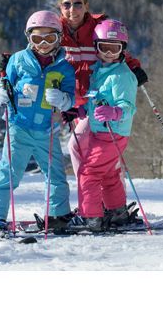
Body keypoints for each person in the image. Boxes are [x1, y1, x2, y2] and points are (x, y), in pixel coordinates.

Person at [0, 11, 76, 236]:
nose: (43, 44)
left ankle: (57, 216)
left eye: (49, 38)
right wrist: (1, 94)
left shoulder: (65, 66)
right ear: (29, 38)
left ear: (59, 38)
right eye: (37, 39)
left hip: (48, 130)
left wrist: (64, 101)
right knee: (9, 173)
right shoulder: (18, 60)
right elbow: (6, 81)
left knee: (55, 175)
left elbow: (71, 97)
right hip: (19, 127)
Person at [66, 19, 138, 232]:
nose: (108, 53)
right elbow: (95, 100)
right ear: (96, 47)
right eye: (103, 47)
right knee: (108, 174)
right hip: (101, 131)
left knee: (88, 174)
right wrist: (81, 110)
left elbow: (128, 107)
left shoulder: (122, 76)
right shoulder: (99, 71)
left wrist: (115, 112)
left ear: (122, 49)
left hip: (112, 133)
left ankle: (91, 217)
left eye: (114, 48)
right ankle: (116, 212)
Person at [57, 0, 145, 112]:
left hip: (97, 99)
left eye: (78, 4)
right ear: (60, 7)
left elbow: (114, 49)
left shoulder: (98, 28)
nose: (72, 10)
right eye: (66, 5)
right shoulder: (56, 31)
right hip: (68, 101)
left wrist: (133, 67)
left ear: (86, 6)